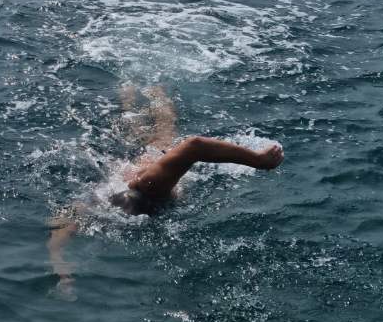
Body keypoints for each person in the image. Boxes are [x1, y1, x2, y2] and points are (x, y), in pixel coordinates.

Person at [47, 84, 283, 298]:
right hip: (142, 194)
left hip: (139, 196)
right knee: (159, 134)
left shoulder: (126, 195)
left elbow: (62, 227)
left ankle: (135, 87)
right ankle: (144, 88)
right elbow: (195, 146)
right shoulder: (141, 190)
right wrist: (259, 161)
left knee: (152, 133)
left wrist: (61, 270)